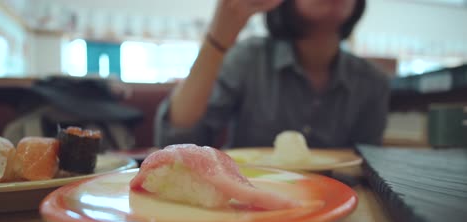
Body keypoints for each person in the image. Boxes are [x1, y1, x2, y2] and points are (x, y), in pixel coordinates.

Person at [156, 0, 390, 149]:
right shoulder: (249, 58)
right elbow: (175, 145)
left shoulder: (373, 82)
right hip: (246, 206)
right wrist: (218, 36)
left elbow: (368, 165)